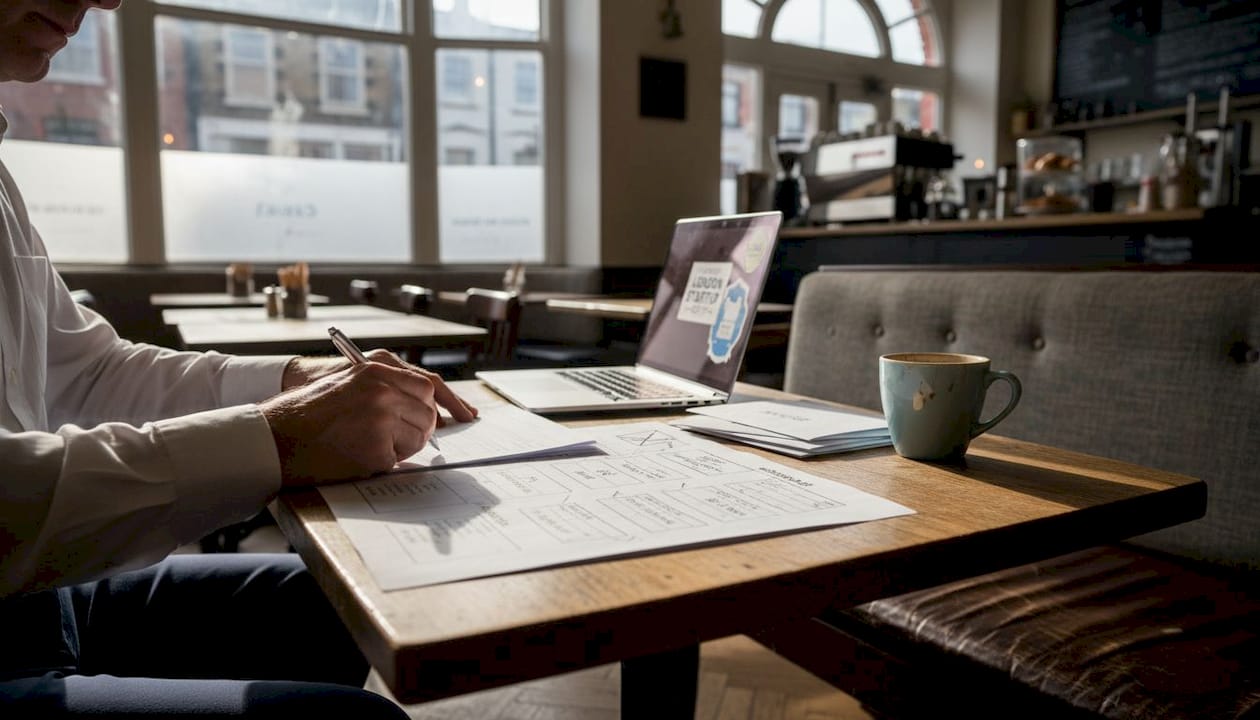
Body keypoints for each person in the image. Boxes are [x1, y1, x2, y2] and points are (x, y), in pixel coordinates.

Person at [0, 2, 478, 716]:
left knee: (346, 599)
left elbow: (92, 373)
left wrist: (296, 383)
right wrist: (276, 438)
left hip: (39, 598)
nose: (106, 1)